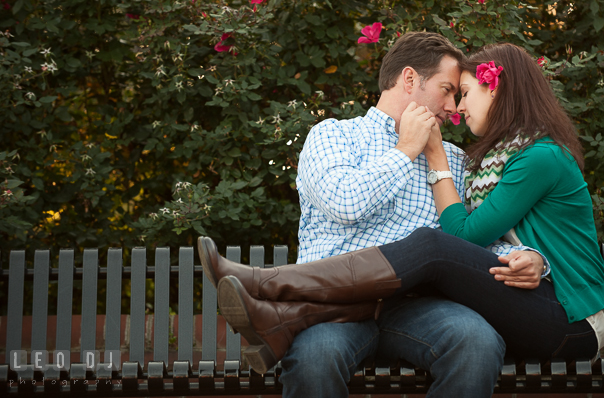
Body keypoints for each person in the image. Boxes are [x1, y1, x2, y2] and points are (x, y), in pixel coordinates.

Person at [199, 33, 547, 398]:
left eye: (458, 94)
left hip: (420, 308)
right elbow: (346, 204)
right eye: (446, 90)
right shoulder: (333, 136)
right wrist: (406, 150)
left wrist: (532, 260)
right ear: (410, 79)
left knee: (477, 343)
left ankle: (263, 284)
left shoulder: (453, 162)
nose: (453, 106)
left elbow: (475, 238)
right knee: (316, 359)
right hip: (330, 309)